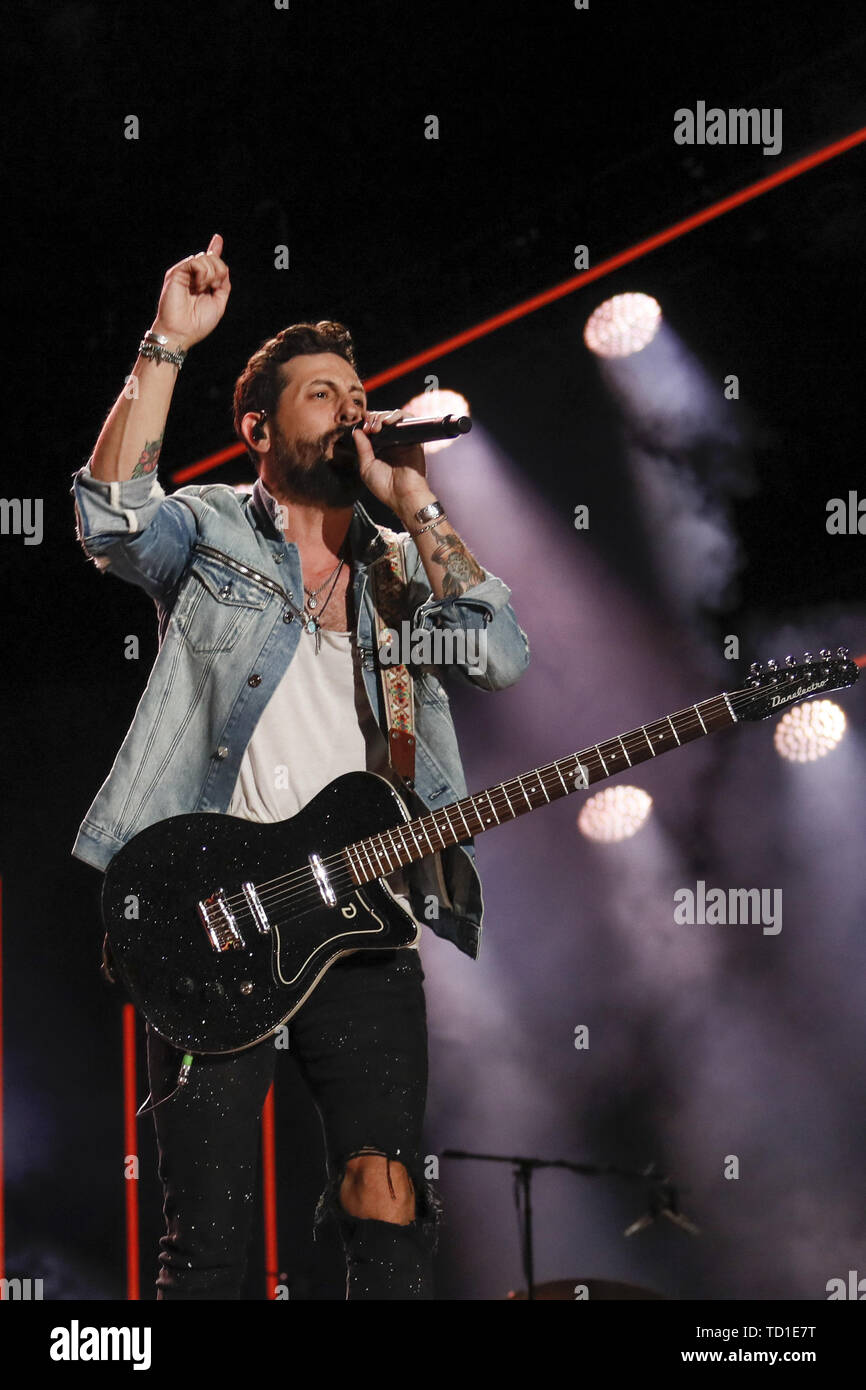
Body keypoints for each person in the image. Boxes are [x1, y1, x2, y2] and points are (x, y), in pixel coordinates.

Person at [70, 233, 530, 1299]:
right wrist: (166, 344)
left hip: (364, 923)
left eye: (355, 393)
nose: (349, 409)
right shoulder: (216, 530)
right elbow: (109, 519)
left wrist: (412, 499)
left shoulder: (396, 572)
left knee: (388, 1194)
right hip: (212, 917)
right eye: (320, 395)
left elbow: (500, 654)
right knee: (212, 1235)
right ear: (258, 428)